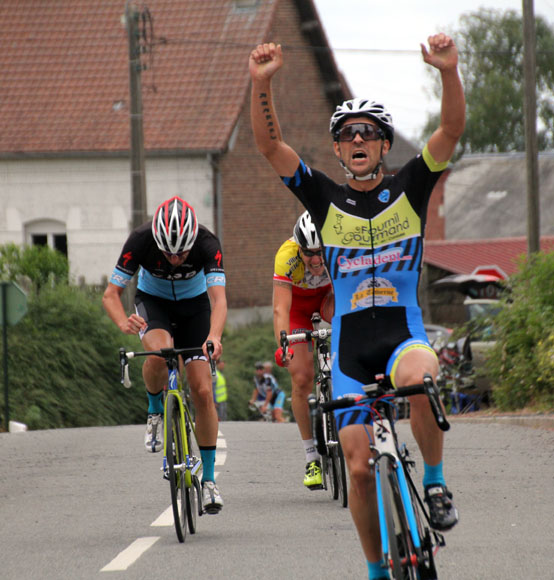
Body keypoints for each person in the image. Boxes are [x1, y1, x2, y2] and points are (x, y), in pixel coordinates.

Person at [249, 32, 464, 578]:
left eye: (368, 132)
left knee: (419, 379)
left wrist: (447, 71)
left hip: (402, 335)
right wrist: (261, 86)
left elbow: (451, 130)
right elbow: (272, 149)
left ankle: (434, 483)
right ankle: (374, 569)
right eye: (347, 135)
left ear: (384, 144)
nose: (358, 139)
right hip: (348, 351)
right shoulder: (322, 198)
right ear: (340, 150)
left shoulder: (411, 187)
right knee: (359, 467)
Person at [102, 196, 226, 514]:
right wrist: (122, 321)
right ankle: (156, 409)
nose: (174, 258)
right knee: (158, 354)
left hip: (195, 308)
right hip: (153, 303)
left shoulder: (207, 242)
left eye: (182, 252)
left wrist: (213, 335)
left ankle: (209, 481)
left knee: (201, 390)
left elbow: (219, 299)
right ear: (157, 240)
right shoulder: (141, 240)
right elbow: (111, 294)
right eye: (168, 252)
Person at [272, 211, 333, 489]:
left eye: (320, 251)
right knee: (301, 378)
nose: (317, 259)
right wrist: (283, 345)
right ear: (299, 247)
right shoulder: (287, 257)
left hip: (328, 300)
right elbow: (280, 309)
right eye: (309, 253)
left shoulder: (339, 249)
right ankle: (311, 457)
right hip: (297, 309)